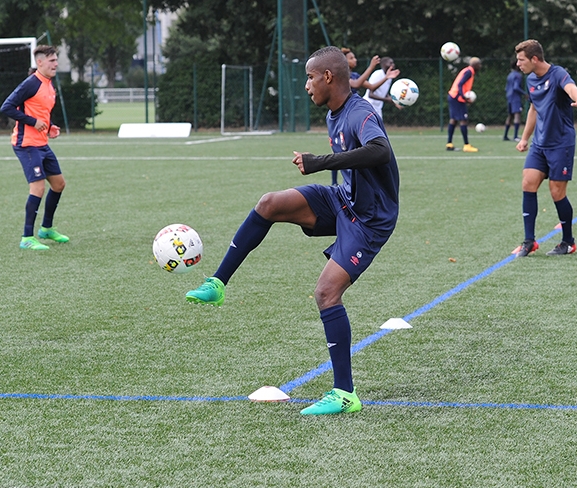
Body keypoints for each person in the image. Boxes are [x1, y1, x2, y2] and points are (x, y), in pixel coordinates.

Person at [185, 46, 399, 416]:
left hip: (369, 220)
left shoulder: (360, 111)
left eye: (310, 78)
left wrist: (321, 163)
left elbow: (379, 151)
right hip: (343, 201)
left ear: (328, 77)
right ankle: (217, 284)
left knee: (326, 293)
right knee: (270, 203)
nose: (306, 86)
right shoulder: (336, 113)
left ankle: (345, 394)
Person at [513, 39, 577, 257]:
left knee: (557, 192)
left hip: (561, 143)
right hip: (539, 144)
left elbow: (572, 89)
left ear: (534, 59)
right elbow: (534, 109)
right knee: (528, 182)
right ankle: (529, 241)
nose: (518, 64)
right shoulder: (530, 80)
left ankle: (568, 242)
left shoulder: (557, 74)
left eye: (521, 60)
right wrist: (525, 138)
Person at [1, 45, 69, 250]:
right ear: (40, 63)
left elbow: (40, 113)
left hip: (42, 143)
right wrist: (32, 122)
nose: (56, 64)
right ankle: (27, 238)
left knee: (58, 184)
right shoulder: (31, 83)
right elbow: (7, 107)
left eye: (56, 60)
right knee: (38, 188)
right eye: (52, 61)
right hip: (27, 145)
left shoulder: (49, 85)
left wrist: (48, 128)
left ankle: (46, 229)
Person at [445, 57, 482, 152]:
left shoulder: (467, 71)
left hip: (453, 96)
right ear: (475, 65)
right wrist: (464, 98)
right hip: (457, 98)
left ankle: (449, 144)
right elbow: (460, 84)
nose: (480, 66)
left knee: (453, 120)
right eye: (479, 64)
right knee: (463, 120)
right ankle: (466, 145)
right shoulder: (469, 72)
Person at [362, 56, 402, 122]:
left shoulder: (390, 77)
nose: (393, 65)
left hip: (378, 108)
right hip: (368, 106)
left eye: (393, 63)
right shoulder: (377, 74)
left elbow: (384, 92)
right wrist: (387, 100)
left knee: (379, 130)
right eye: (390, 63)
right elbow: (370, 94)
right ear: (383, 65)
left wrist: (394, 102)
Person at [504, 60, 526, 141]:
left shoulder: (510, 75)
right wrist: (525, 94)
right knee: (517, 115)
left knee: (510, 116)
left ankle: (505, 136)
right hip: (515, 97)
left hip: (509, 97)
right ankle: (515, 136)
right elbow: (516, 87)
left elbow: (506, 88)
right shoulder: (518, 75)